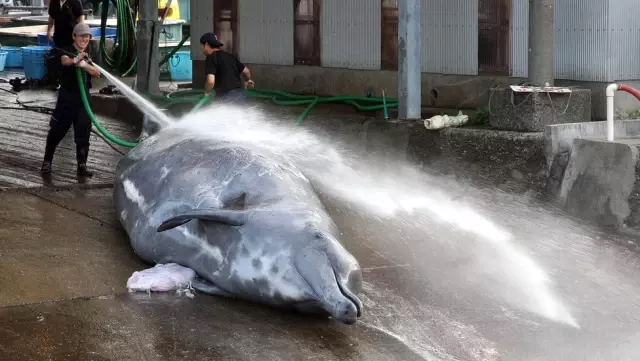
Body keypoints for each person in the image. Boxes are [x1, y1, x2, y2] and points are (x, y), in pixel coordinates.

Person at [41, 23, 101, 178]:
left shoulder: (91, 52)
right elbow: (65, 61)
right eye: (81, 36)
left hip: (84, 100)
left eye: (87, 36)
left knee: (83, 132)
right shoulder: (66, 49)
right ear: (74, 36)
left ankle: (82, 166)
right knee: (57, 130)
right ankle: (47, 161)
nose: (84, 39)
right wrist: (76, 60)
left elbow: (97, 72)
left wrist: (84, 64)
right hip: (67, 98)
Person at [200, 32, 254, 104]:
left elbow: (210, 81)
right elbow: (246, 71)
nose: (201, 49)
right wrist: (247, 80)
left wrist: (207, 92)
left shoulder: (210, 57)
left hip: (226, 97)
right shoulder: (229, 56)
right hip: (241, 95)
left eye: (201, 46)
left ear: (206, 45)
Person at [46, 0, 85, 87]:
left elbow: (81, 18)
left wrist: (80, 34)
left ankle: (73, 81)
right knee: (59, 58)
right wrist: (48, 31)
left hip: (71, 37)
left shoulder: (75, 2)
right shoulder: (54, 2)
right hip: (59, 36)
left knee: (71, 58)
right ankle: (59, 81)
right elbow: (52, 17)